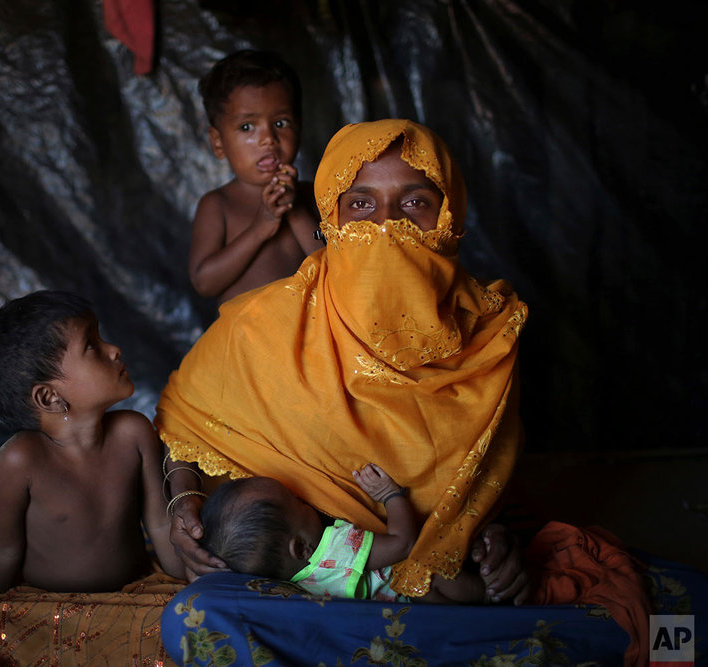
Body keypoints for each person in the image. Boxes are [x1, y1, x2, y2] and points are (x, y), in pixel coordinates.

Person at [156, 119, 531, 603]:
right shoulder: (262, 326)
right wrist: (184, 500)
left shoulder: (490, 338)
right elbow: (185, 425)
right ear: (330, 219)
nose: (384, 226)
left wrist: (485, 538)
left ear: (450, 217)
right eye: (360, 205)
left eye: (415, 203)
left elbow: (476, 482)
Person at [0, 290, 184, 594]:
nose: (114, 349)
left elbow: (160, 523)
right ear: (49, 396)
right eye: (92, 345)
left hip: (133, 590)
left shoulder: (133, 432)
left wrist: (189, 580)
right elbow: (2, 550)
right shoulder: (21, 461)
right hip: (52, 607)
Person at [200, 464, 489, 604]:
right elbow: (403, 544)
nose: (307, 500)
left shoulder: (298, 585)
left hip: (403, 614)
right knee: (430, 572)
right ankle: (492, 600)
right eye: (298, 502)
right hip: (414, 597)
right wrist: (390, 496)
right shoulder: (335, 551)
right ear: (300, 548)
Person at [189, 49, 324, 304]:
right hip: (247, 341)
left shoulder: (311, 194)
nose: (268, 139)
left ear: (300, 127)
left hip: (312, 334)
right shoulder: (219, 204)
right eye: (247, 127)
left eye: (281, 123)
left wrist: (295, 212)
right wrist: (261, 226)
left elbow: (332, 261)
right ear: (218, 142)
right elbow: (204, 282)